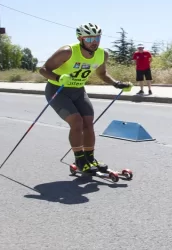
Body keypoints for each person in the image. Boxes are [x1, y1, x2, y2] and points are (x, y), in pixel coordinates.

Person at [39, 22, 133, 174]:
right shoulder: (66, 52)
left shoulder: (102, 54)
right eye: (89, 39)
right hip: (58, 90)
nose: (94, 42)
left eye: (97, 38)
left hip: (78, 91)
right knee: (76, 121)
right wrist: (58, 77)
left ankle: (90, 158)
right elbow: (43, 69)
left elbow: (102, 74)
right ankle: (80, 159)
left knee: (88, 123)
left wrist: (117, 84)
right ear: (81, 39)